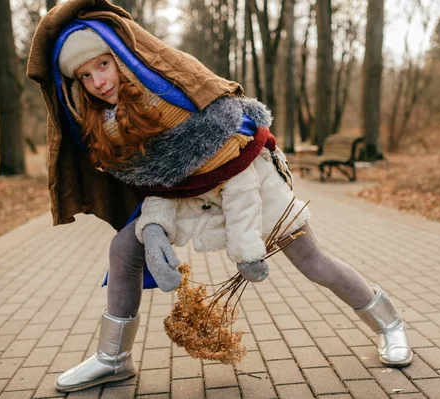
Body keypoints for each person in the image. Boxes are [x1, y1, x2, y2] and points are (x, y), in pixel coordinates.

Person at [27, 0, 412, 393]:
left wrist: (247, 247)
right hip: (191, 194)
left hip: (249, 180)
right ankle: (113, 359)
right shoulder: (107, 127)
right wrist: (154, 229)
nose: (99, 81)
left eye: (103, 64)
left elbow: (237, 173)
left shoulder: (172, 92)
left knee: (313, 262)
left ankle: (390, 324)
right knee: (124, 249)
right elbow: (157, 184)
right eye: (85, 75)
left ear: (123, 58)